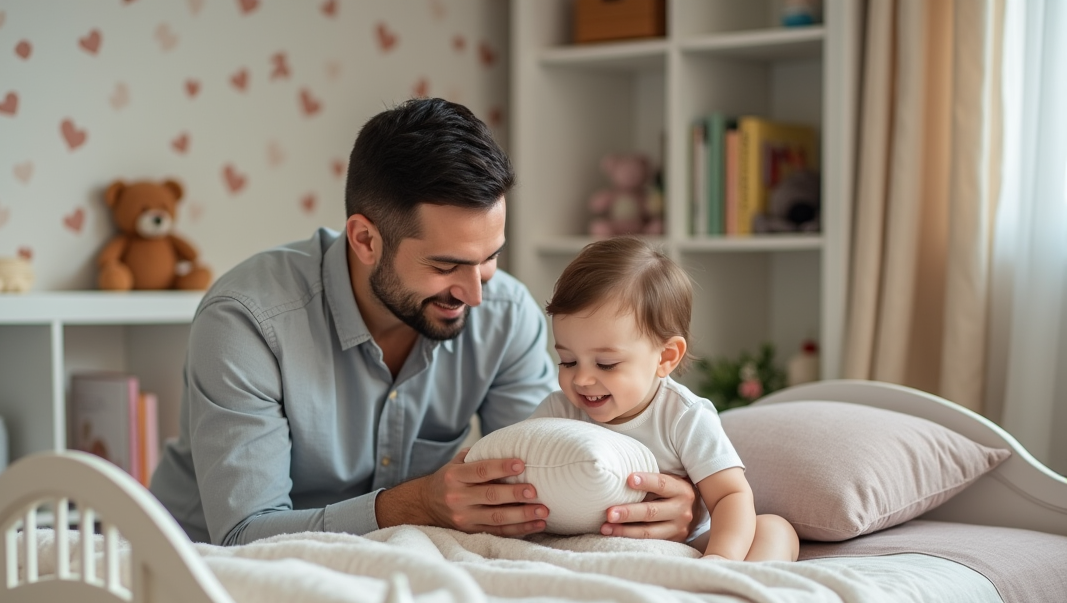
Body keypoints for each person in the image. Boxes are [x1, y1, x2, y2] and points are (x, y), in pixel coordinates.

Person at [150, 98, 698, 545]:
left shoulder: (506, 315)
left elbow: (549, 475)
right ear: (366, 239)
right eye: (445, 266)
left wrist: (654, 501)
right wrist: (418, 503)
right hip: (196, 572)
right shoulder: (249, 322)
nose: (476, 293)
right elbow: (244, 535)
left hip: (398, 575)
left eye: (489, 257)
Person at [530, 236, 799, 561]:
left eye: (606, 364)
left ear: (666, 357)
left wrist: (720, 559)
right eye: (568, 361)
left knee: (774, 528)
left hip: (679, 549)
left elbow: (730, 494)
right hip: (582, 549)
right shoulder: (557, 412)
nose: (582, 379)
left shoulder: (683, 416)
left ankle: (728, 588)